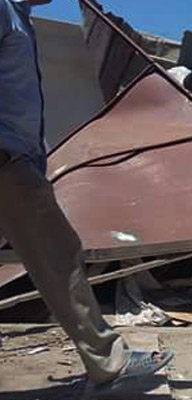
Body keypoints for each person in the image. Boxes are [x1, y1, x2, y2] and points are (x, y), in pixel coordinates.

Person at [0, 0, 173, 388]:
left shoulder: (19, 19)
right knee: (59, 257)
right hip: (8, 165)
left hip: (14, 160)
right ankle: (110, 363)